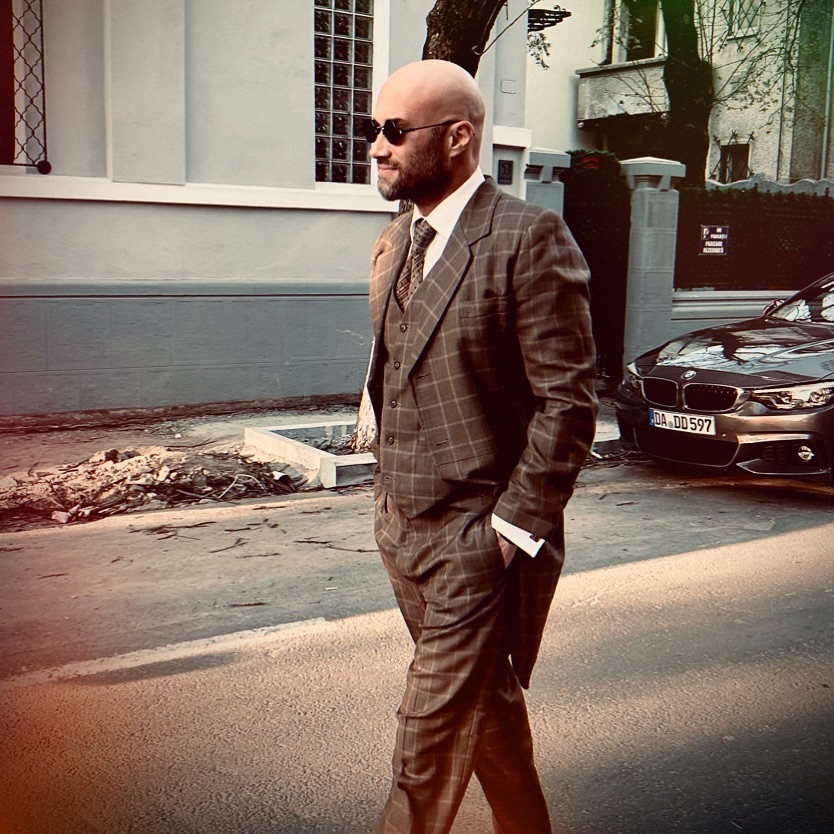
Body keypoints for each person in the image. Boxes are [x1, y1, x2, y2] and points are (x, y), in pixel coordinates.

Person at [364, 59, 598, 834]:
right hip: (401, 529)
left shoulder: (527, 237)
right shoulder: (393, 244)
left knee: (424, 749)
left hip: (474, 539)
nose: (377, 146)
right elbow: (397, 365)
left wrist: (506, 535)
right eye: (373, 129)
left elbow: (568, 403)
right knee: (483, 706)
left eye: (395, 130)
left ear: (458, 137)